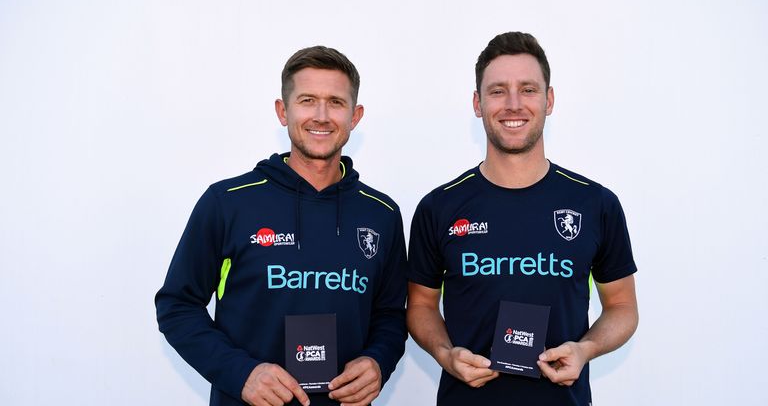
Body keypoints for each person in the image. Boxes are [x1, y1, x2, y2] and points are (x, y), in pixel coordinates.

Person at [156, 46, 407, 406]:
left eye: (336, 102)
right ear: (282, 110)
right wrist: (240, 373)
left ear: (355, 116)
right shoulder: (228, 202)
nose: (321, 116)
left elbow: (390, 315)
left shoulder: (381, 213)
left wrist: (378, 361)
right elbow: (177, 306)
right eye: (307, 100)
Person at [406, 32, 639, 405]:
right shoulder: (440, 207)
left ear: (548, 100)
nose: (513, 104)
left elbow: (623, 308)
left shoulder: (595, 204)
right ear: (477, 103)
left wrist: (585, 350)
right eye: (498, 91)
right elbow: (419, 306)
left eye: (528, 90)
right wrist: (445, 355)